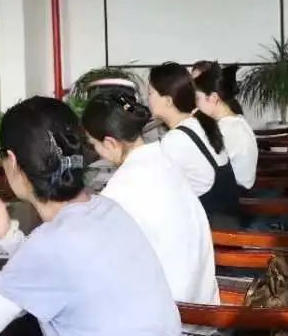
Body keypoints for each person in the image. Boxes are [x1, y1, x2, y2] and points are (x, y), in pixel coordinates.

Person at [0, 97, 181, 336]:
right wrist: (8, 236)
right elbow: (54, 269)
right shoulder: (108, 209)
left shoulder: (50, 245)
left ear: (12, 161)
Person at [82, 94, 219, 305]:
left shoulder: (121, 189)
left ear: (110, 142)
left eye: (94, 145)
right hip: (201, 295)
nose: (97, 152)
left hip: (176, 310)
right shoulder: (163, 159)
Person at [149, 62, 240, 226]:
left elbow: (157, 190)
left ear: (168, 101)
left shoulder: (176, 140)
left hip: (215, 232)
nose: (147, 99)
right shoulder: (198, 123)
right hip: (227, 222)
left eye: (150, 93)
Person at [194, 61, 258, 190]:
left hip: (237, 192)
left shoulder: (227, 129)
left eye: (197, 99)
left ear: (213, 98)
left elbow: (204, 167)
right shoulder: (235, 120)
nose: (195, 104)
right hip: (236, 186)